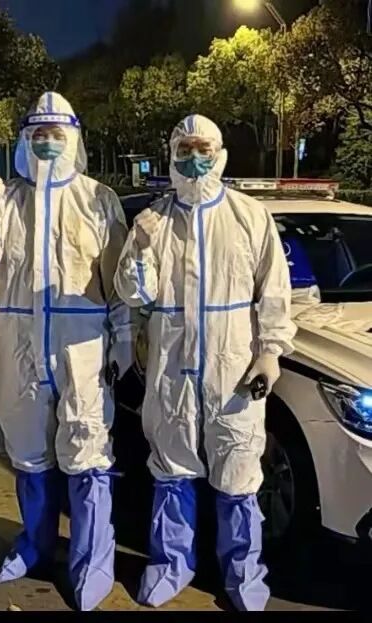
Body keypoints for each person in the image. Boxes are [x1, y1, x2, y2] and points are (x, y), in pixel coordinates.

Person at [0, 92, 134, 611]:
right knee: (29, 450)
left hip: (82, 345)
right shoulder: (8, 199)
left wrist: (124, 337)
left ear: (73, 139)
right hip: (19, 342)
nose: (48, 143)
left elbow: (120, 280)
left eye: (57, 135)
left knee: (87, 450)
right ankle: (33, 546)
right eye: (39, 135)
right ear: (24, 141)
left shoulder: (99, 199)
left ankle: (91, 562)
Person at [114, 114, 296, 611]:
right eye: (185, 150)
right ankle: (171, 565)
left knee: (238, 471)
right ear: (172, 156)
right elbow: (134, 295)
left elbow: (275, 291)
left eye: (203, 149)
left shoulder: (249, 216)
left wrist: (270, 351)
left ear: (220, 155)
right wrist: (140, 249)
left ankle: (243, 575)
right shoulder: (154, 220)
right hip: (172, 368)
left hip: (232, 370)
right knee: (171, 469)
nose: (194, 159)